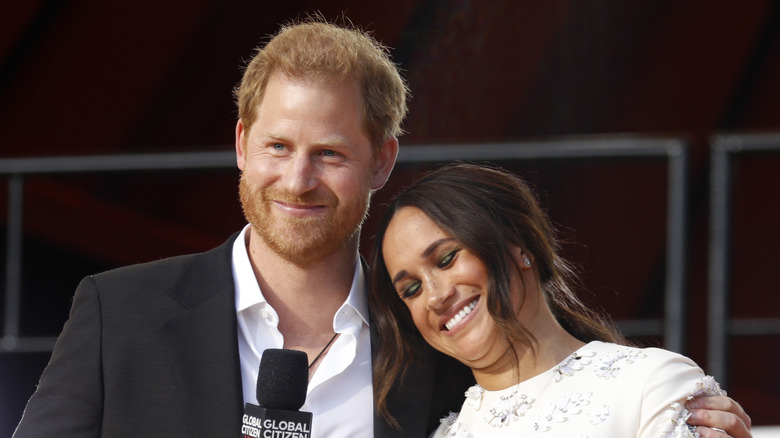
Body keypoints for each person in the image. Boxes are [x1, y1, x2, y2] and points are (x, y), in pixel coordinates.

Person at [13, 17, 749, 438]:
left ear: (380, 161)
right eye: (277, 147)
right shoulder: (121, 313)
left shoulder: (437, 344)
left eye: (329, 153)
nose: (298, 181)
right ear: (241, 145)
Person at [369, 162, 753, 438]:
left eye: (447, 259)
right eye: (412, 290)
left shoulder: (652, 386)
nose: (435, 296)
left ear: (520, 247)